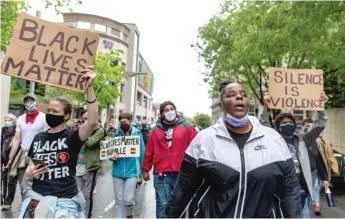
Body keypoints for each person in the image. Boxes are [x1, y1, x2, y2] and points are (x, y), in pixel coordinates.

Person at [164, 81, 301, 218]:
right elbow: (184, 189)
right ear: (221, 104)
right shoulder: (204, 140)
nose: (239, 97)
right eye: (231, 95)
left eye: (243, 95)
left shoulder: (274, 139)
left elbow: (290, 191)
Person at [18, 67, 98, 218]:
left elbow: (93, 122)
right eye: (48, 110)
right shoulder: (39, 137)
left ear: (66, 115)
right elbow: (32, 166)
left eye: (55, 111)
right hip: (38, 200)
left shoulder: (73, 136)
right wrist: (29, 173)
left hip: (65, 203)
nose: (50, 114)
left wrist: (90, 88)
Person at [261, 92, 329, 218]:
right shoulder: (273, 138)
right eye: (284, 123)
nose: (288, 124)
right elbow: (263, 123)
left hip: (299, 188)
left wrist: (321, 109)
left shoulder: (303, 139)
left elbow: (319, 125)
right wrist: (266, 106)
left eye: (290, 122)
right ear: (278, 127)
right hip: (279, 188)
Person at [143, 101, 197, 218]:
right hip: (162, 174)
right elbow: (149, 151)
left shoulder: (187, 128)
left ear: (176, 111)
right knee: (163, 205)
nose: (169, 112)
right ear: (162, 114)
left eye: (171, 109)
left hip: (182, 173)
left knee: (181, 204)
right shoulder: (155, 130)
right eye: (166, 110)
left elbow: (195, 149)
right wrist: (145, 169)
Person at [5, 93, 49, 200]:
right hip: (23, 155)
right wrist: (10, 159)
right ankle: (27, 210)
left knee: (38, 183)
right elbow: (16, 139)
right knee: (23, 185)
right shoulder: (20, 119)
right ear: (24, 104)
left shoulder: (44, 117)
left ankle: (38, 209)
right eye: (27, 101)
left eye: (32, 100)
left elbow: (48, 136)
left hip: (38, 155)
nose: (29, 103)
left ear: (36, 102)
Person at [110, 112, 144, 218]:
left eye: (125, 122)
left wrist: (143, 171)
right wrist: (112, 157)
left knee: (128, 199)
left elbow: (142, 153)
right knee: (119, 200)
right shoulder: (115, 134)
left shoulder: (137, 134)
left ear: (130, 121)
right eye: (121, 122)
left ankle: (130, 214)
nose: (123, 124)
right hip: (117, 172)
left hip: (132, 171)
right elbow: (109, 152)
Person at [76, 110, 104, 218]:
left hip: (90, 166)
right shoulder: (79, 128)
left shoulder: (99, 130)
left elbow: (90, 143)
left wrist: (81, 132)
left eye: (88, 119)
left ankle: (86, 216)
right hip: (77, 165)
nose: (85, 121)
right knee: (76, 194)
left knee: (87, 195)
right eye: (83, 119)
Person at [1, 114, 18, 210]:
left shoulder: (17, 132)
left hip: (13, 159)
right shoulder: (4, 130)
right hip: (3, 158)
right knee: (3, 180)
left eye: (9, 120)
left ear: (14, 122)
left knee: (11, 181)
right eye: (6, 119)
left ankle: (8, 201)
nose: (7, 121)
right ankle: (3, 199)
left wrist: (11, 160)